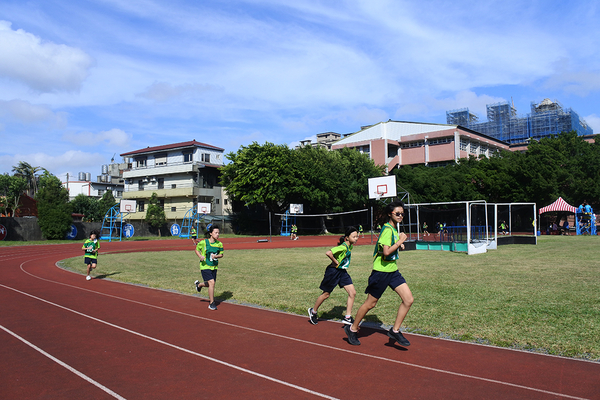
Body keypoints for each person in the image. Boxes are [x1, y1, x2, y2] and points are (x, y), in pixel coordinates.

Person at [344, 200, 413, 347]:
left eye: (402, 213)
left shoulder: (394, 229)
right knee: (371, 304)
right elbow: (387, 251)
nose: (401, 215)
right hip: (381, 272)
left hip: (393, 271)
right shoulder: (388, 229)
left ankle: (395, 331)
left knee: (408, 300)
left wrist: (399, 244)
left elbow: (387, 250)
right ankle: (352, 328)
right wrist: (400, 240)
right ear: (390, 214)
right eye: (397, 213)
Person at [308, 227, 359, 325]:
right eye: (354, 237)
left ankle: (348, 317)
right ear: (347, 238)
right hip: (333, 272)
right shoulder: (343, 247)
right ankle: (313, 311)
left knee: (352, 293)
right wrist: (336, 262)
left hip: (342, 272)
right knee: (326, 294)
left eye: (357, 236)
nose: (356, 238)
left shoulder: (350, 246)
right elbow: (329, 253)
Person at [194, 224, 224, 310]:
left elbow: (221, 254)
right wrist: (200, 256)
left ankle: (199, 285)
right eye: (216, 232)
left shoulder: (219, 244)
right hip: (205, 266)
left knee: (210, 284)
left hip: (214, 266)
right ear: (211, 233)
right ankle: (211, 303)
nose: (218, 234)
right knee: (212, 283)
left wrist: (217, 256)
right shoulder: (204, 242)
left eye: (218, 233)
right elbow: (196, 249)